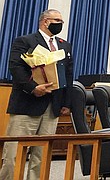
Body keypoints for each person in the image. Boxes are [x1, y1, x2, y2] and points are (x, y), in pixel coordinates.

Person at [0, 9, 73, 180]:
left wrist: (66, 103)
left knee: (41, 154)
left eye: (61, 21)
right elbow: (16, 68)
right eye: (57, 20)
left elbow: (68, 75)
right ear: (45, 21)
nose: (60, 24)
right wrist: (33, 87)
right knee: (14, 153)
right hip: (27, 104)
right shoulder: (25, 41)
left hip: (52, 107)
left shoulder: (64, 45)